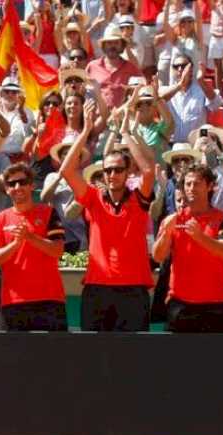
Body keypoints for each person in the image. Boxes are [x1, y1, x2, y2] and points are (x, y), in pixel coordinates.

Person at [62, 103, 157, 332]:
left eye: (118, 169)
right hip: (97, 288)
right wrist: (85, 132)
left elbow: (148, 171)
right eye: (108, 170)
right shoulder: (93, 198)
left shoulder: (139, 199)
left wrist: (125, 134)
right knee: (93, 358)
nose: (112, 174)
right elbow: (66, 170)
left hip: (133, 290)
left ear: (127, 172)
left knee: (133, 359)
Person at [153, 164, 223, 333]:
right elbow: (158, 256)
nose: (191, 188)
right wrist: (166, 233)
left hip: (215, 305)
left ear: (210, 186)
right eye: (188, 184)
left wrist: (200, 236)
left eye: (197, 183)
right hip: (180, 305)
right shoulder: (172, 219)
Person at [0, 163, 66, 331]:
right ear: (6, 189)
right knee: (13, 358)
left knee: (55, 357)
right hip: (13, 302)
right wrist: (15, 244)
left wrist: (29, 237)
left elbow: (58, 250)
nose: (17, 187)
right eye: (11, 184)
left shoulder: (49, 213)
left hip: (49, 300)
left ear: (32, 185)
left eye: (22, 182)